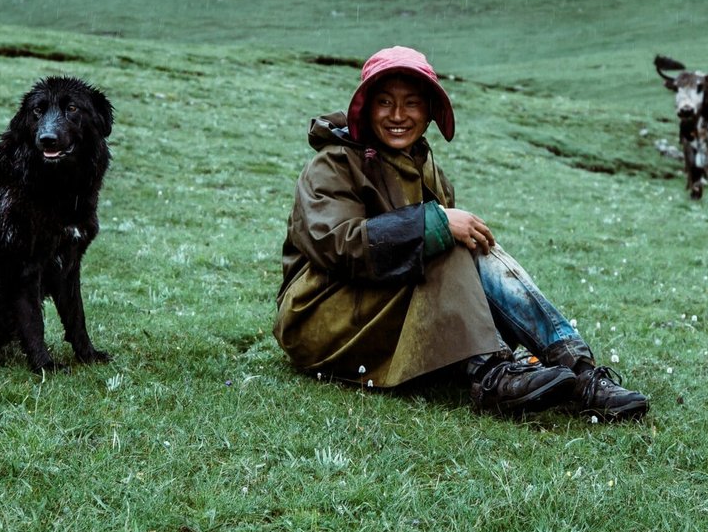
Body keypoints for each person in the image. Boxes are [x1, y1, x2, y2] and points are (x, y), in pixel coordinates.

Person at [273, 46, 648, 420]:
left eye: (412, 103)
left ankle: (579, 370)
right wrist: (433, 224)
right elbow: (336, 244)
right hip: (321, 318)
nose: (398, 115)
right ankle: (491, 372)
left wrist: (438, 226)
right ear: (366, 108)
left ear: (431, 112)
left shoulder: (429, 170)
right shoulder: (332, 164)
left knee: (469, 242)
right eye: (384, 102)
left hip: (386, 309)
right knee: (446, 238)